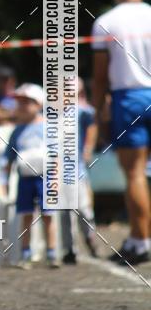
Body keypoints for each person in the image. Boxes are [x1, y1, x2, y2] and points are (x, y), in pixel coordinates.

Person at [92, 0, 151, 266]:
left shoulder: (106, 22)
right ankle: (137, 238)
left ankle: (140, 241)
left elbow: (100, 75)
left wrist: (99, 109)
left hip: (130, 98)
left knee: (135, 173)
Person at [5, 83, 59, 269]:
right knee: (26, 215)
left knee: (48, 215)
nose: (21, 106)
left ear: (38, 104)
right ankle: (26, 253)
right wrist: (5, 181)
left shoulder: (48, 127)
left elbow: (56, 154)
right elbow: (9, 158)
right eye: (19, 102)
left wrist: (55, 180)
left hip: (46, 177)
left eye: (26, 102)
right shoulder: (17, 131)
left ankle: (52, 253)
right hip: (25, 178)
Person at [60, 78, 98, 264]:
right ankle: (70, 249)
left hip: (76, 168)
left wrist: (88, 147)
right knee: (66, 211)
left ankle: (90, 237)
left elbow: (92, 124)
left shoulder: (82, 111)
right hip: (59, 169)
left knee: (83, 208)